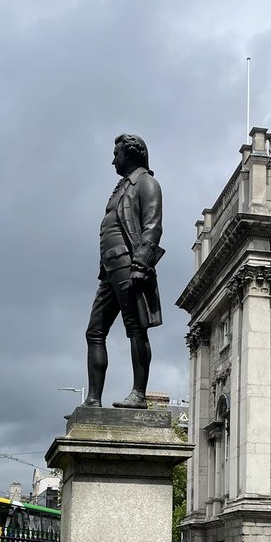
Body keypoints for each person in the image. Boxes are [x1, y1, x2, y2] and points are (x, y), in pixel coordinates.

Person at [84, 134, 164, 409]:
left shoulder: (146, 183)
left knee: (136, 328)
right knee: (94, 332)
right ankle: (93, 400)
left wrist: (141, 265)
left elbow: (152, 227)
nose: (113, 160)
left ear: (131, 154)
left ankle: (139, 395)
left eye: (116, 154)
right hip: (109, 268)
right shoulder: (123, 186)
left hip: (128, 265)